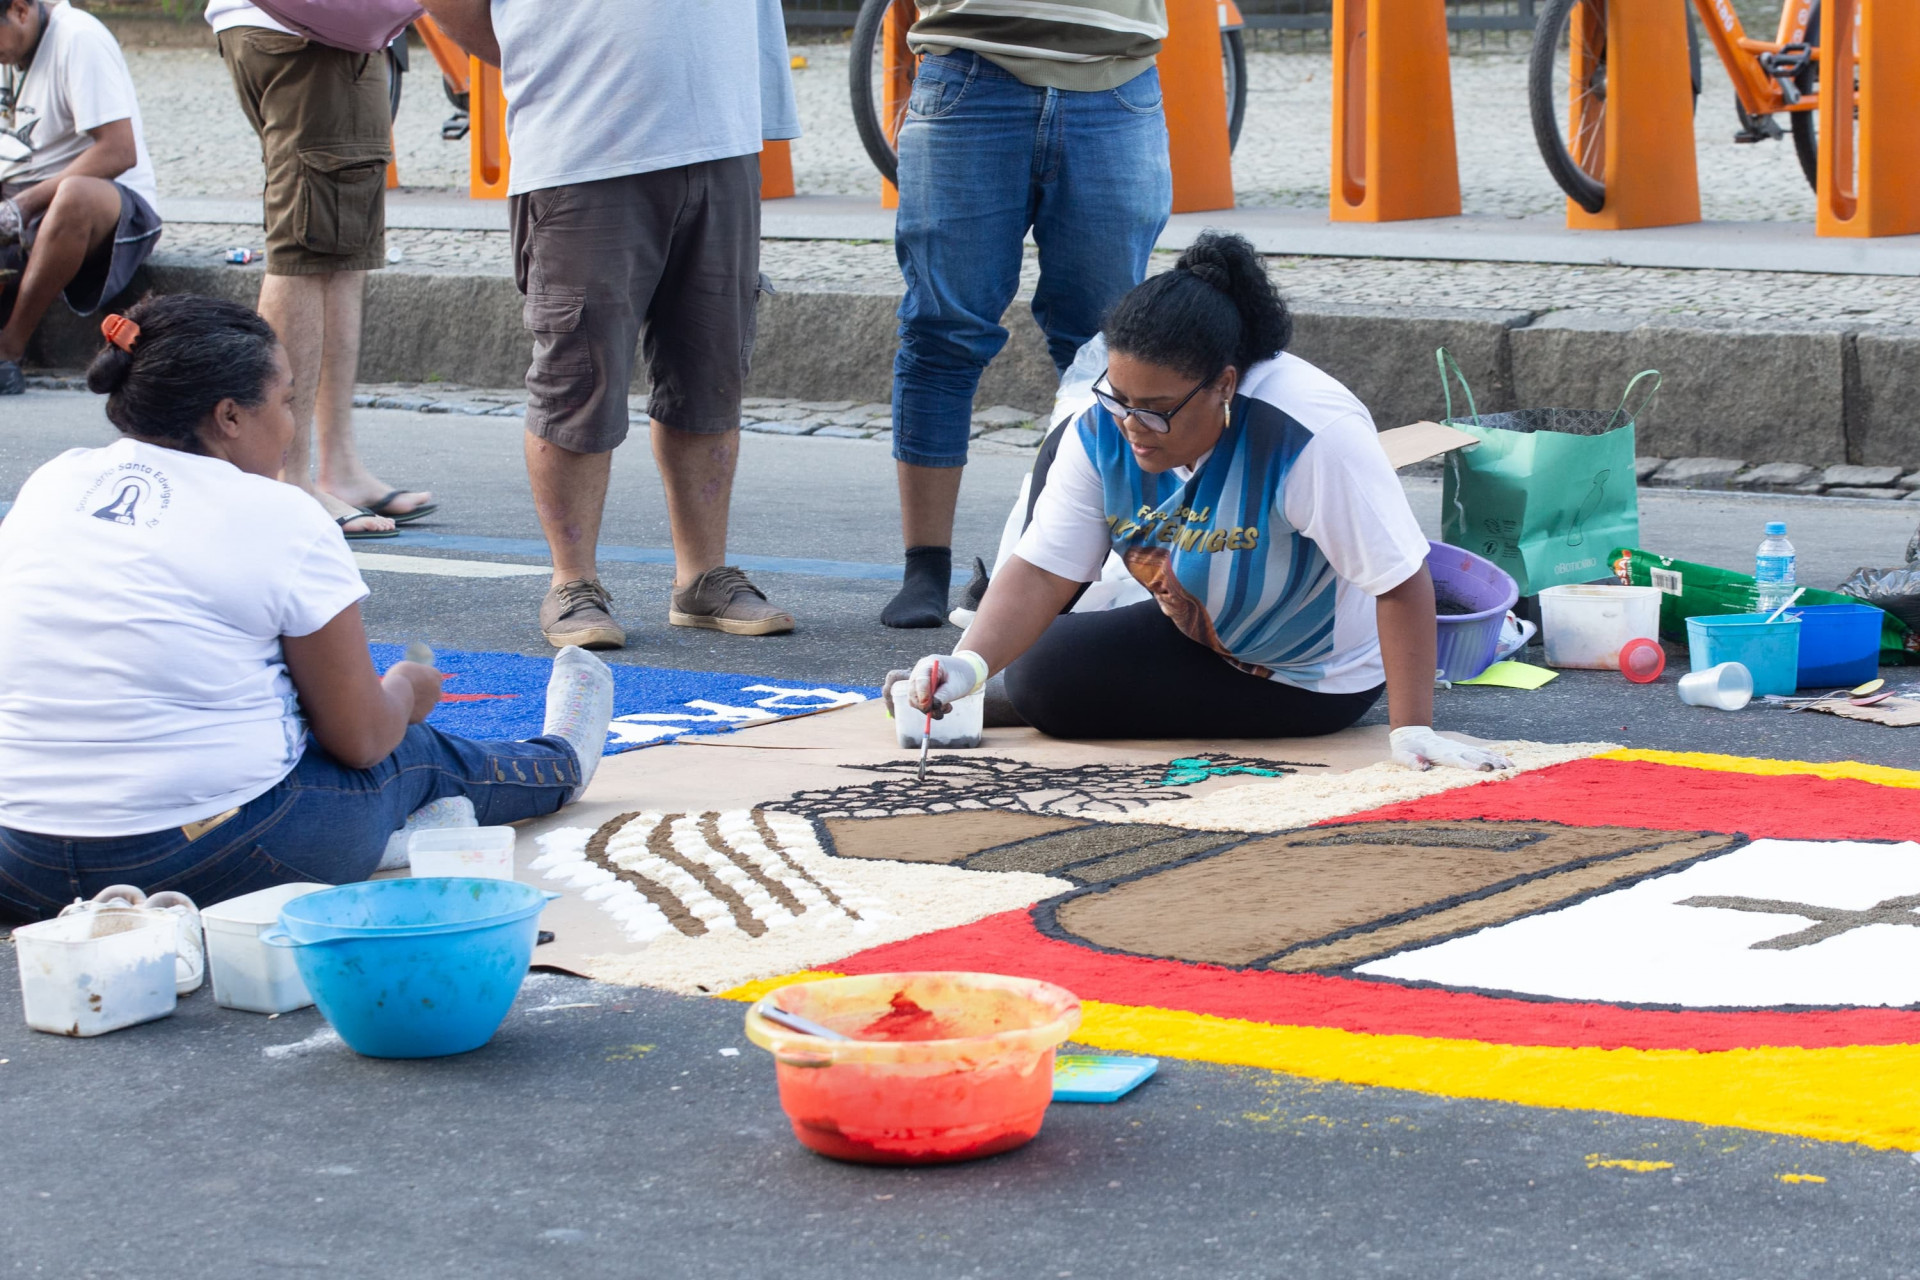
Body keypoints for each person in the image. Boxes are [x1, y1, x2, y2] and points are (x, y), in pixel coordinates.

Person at [0, 294, 613, 924]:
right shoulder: (280, 514)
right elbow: (360, 740)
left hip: (22, 863)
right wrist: (404, 689)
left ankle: (397, 835)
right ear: (230, 416)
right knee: (413, 751)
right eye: (288, 401)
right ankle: (561, 762)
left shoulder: (55, 481)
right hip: (200, 858)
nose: (292, 427)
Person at [898, 232, 1510, 773]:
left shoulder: (1308, 432)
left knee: (1042, 682)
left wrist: (1412, 731)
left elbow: (1400, 578)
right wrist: (968, 666)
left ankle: (1022, 691)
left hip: (1309, 674)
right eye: (1118, 398)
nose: (1133, 425)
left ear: (1223, 384)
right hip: (1200, 633)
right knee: (1039, 664)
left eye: (1157, 410)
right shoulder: (1105, 425)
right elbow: (1040, 571)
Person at [418, 0, 800, 650]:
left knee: (710, 369)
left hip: (722, 127)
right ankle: (573, 582)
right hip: (584, 139)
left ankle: (702, 576)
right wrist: (554, 55)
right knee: (579, 375)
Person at [881, 0, 1173, 629]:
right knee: (942, 332)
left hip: (1116, 76)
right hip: (969, 67)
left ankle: (1085, 565)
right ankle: (924, 567)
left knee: (1108, 352)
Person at [207, 0, 434, 538]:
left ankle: (335, 468)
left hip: (306, 27)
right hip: (313, 33)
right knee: (305, 253)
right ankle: (292, 477)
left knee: (340, 252)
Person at [0, 0, 161, 397]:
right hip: (20, 190)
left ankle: (9, 347)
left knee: (72, 196)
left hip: (108, 202)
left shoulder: (78, 38)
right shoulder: (11, 47)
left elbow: (119, 152)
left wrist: (20, 207)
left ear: (20, 10)